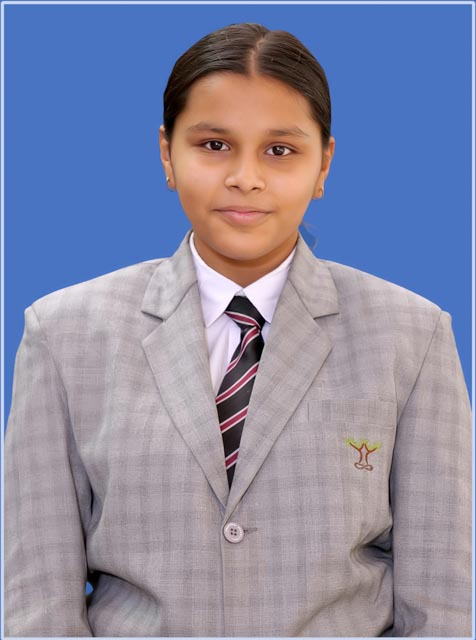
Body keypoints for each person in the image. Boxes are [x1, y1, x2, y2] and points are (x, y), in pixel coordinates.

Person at [4, 22, 471, 638]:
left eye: (280, 150)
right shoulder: (64, 335)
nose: (245, 176)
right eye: (214, 144)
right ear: (167, 153)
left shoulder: (412, 337)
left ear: (324, 164)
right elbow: (38, 605)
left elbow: (444, 606)